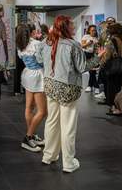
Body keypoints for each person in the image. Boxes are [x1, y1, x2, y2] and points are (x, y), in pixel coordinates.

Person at [36, 15, 104, 173]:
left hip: (50, 85)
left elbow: (39, 59)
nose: (74, 28)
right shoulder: (73, 45)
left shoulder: (46, 42)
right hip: (68, 88)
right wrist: (97, 58)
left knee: (51, 121)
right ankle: (68, 163)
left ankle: (48, 156)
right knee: (68, 126)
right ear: (66, 27)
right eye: (72, 26)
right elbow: (82, 67)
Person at [16, 24, 47, 153]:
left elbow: (22, 57)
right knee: (43, 111)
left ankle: (32, 136)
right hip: (37, 76)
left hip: (27, 74)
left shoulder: (21, 44)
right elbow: (41, 61)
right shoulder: (37, 44)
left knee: (29, 107)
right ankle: (28, 137)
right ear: (32, 32)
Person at [100, 23, 122, 116]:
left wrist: (101, 64)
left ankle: (115, 109)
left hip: (114, 68)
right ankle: (121, 107)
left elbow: (108, 56)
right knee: (121, 88)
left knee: (112, 88)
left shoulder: (112, 40)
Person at [81, 25, 99, 94]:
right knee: (91, 71)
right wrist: (88, 43)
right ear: (89, 31)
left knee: (92, 71)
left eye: (95, 30)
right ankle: (96, 86)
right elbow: (82, 46)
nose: (94, 31)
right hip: (86, 54)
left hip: (93, 55)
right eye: (92, 30)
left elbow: (96, 49)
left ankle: (90, 86)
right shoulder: (86, 37)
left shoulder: (96, 38)